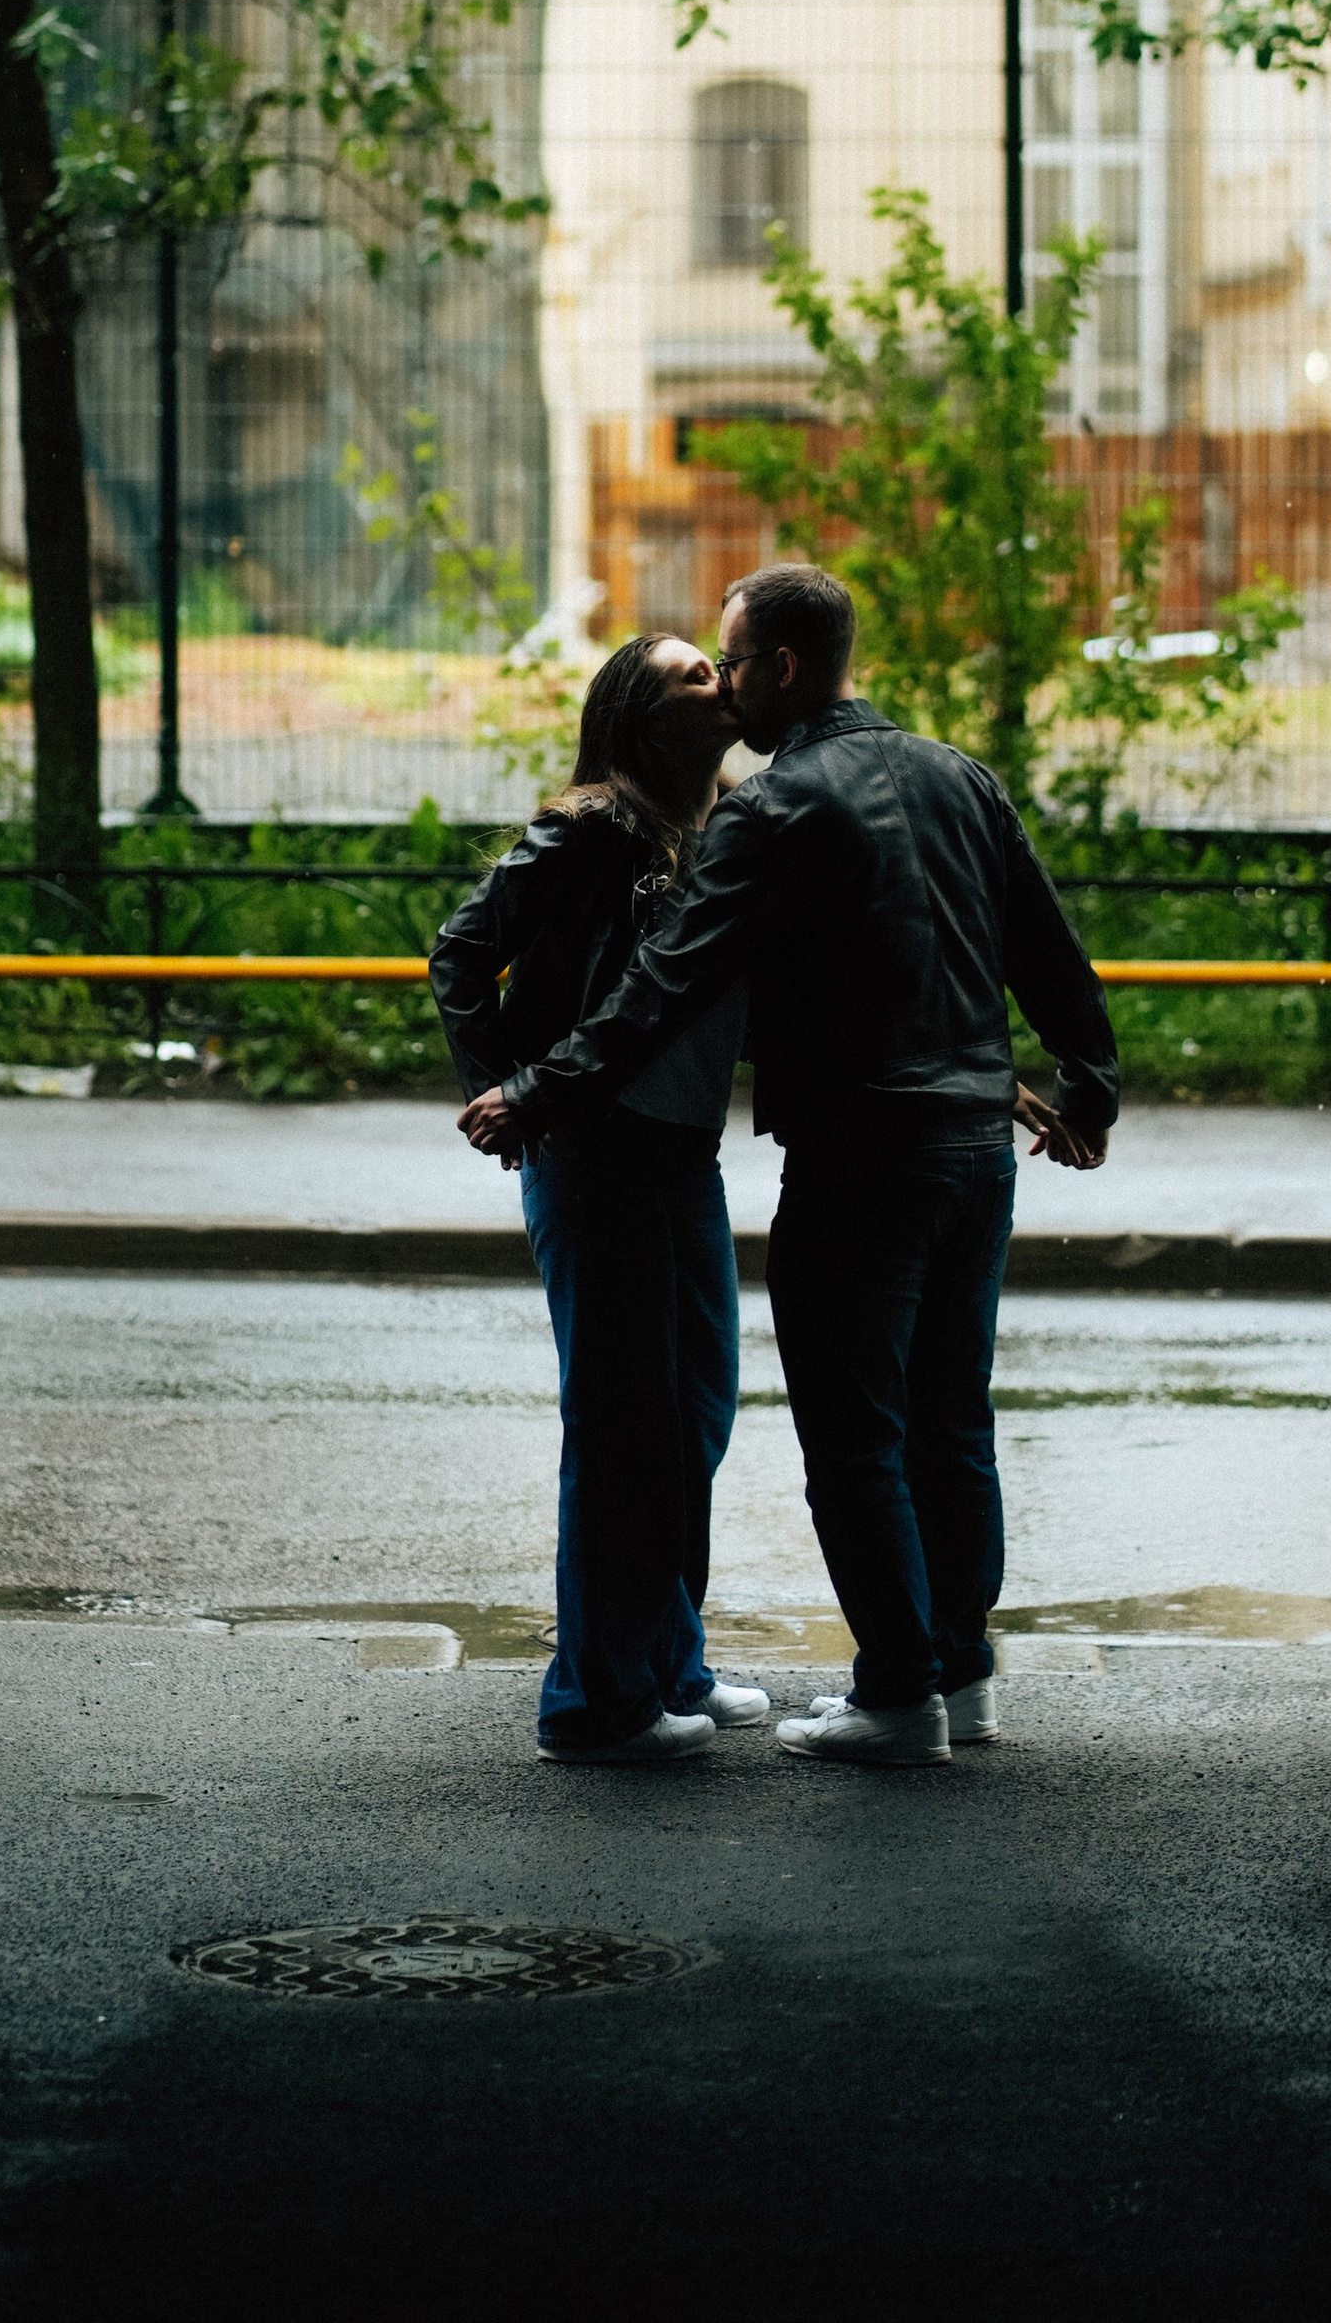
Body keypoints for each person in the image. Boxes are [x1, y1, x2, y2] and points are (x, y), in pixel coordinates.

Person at [460, 562, 1115, 1769]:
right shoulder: (957, 776)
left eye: (730, 658)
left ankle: (896, 1693)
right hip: (973, 1152)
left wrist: (536, 1086)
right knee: (947, 1422)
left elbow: (673, 985)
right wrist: (1085, 1084)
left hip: (859, 1156)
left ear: (782, 668)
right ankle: (957, 1681)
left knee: (855, 1434)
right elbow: (1038, 945)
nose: (724, 685)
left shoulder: (769, 810)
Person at [429, 632, 772, 1768]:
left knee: (694, 1413)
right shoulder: (585, 829)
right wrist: (501, 1094)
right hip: (595, 1146)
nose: (717, 683)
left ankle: (667, 1663)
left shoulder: (726, 827)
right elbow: (463, 952)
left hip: (682, 1150)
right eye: (690, 675)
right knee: (623, 1426)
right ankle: (593, 1702)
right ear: (639, 715)